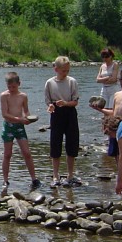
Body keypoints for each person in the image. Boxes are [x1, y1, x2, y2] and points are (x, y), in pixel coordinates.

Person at [44, 56, 81, 188]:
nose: (66, 73)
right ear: (56, 69)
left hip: (69, 112)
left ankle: (70, 174)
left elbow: (75, 102)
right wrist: (50, 106)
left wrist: (65, 103)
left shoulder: (72, 81)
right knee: (55, 143)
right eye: (63, 71)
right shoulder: (49, 83)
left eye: (67, 70)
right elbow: (48, 101)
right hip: (56, 113)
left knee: (72, 143)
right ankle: (55, 175)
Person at [0, 71, 40, 191]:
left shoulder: (23, 96)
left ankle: (34, 178)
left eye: (14, 86)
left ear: (19, 84)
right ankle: (5, 180)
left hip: (19, 127)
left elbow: (26, 111)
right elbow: (5, 114)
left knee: (27, 152)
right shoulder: (4, 96)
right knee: (7, 154)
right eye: (9, 87)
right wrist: (19, 119)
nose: (11, 89)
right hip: (8, 126)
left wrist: (28, 118)